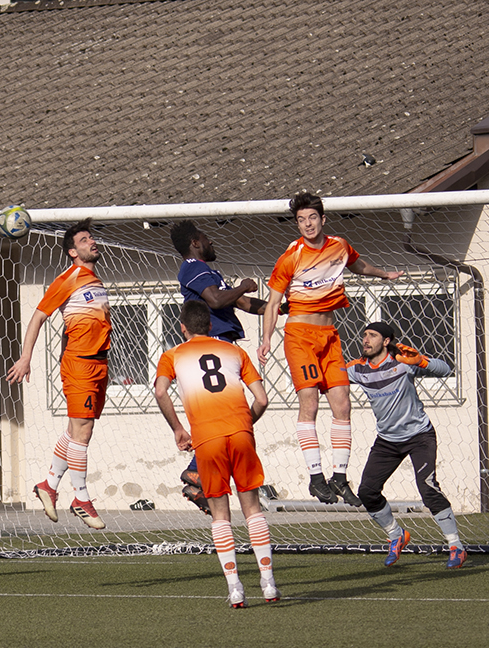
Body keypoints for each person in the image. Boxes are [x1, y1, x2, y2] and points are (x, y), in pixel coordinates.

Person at [257, 191, 402, 507]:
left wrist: (384, 274)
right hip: (300, 336)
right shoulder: (291, 256)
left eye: (312, 218)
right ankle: (315, 477)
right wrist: (266, 338)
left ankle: (339, 476)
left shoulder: (339, 246)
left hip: (330, 336)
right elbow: (273, 302)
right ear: (297, 225)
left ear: (322, 219)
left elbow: (358, 265)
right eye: (301, 220)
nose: (307, 224)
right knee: (309, 402)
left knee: (342, 403)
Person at [154, 300, 279, 607]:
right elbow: (262, 399)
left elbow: (160, 391)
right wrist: (244, 424)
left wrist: (178, 429)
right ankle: (268, 584)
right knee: (253, 508)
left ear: (182, 328)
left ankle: (235, 588)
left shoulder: (172, 355)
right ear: (210, 326)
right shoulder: (235, 352)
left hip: (207, 438)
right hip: (240, 433)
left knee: (220, 514)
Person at [6, 219, 110, 530]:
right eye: (84, 240)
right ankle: (81, 498)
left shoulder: (95, 280)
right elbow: (38, 317)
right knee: (83, 432)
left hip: (99, 364)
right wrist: (26, 358)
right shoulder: (69, 278)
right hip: (80, 364)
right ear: (72, 251)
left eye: (91, 237)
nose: (92, 242)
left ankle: (48, 485)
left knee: (75, 430)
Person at [346, 322, 467, 569]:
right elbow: (326, 377)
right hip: (387, 441)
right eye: (364, 335)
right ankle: (396, 535)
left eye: (372, 335)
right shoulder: (356, 369)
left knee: (427, 487)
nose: (365, 339)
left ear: (386, 341)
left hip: (419, 436)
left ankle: (456, 546)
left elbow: (445, 370)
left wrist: (421, 360)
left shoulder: (403, 363)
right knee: (367, 492)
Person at [170, 220, 267, 515]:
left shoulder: (209, 273)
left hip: (220, 345)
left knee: (229, 416)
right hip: (212, 345)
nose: (211, 242)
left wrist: (282, 307)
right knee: (230, 414)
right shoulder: (193, 267)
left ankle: (198, 474)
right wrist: (243, 285)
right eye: (206, 237)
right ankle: (197, 471)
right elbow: (215, 300)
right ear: (195, 242)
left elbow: (244, 304)